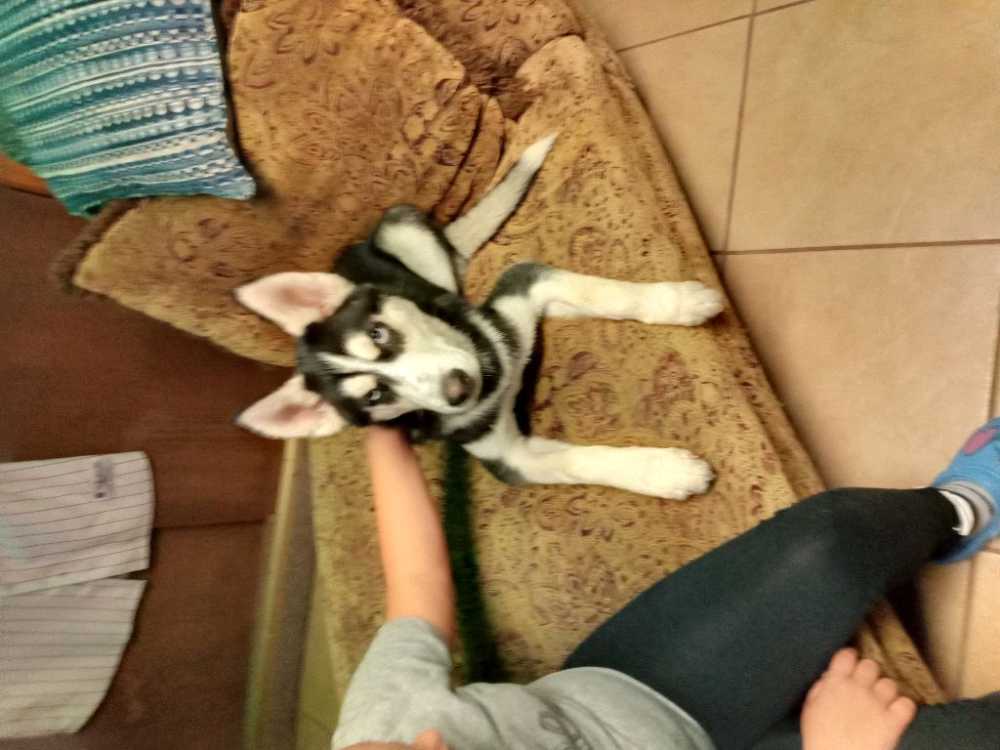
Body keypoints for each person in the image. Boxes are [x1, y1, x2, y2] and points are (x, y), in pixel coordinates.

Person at [332, 419, 1000, 750]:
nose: (432, 738)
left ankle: (958, 511)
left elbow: (415, 582)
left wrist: (379, 429)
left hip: (639, 687)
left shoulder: (385, 723)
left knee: (827, 541)